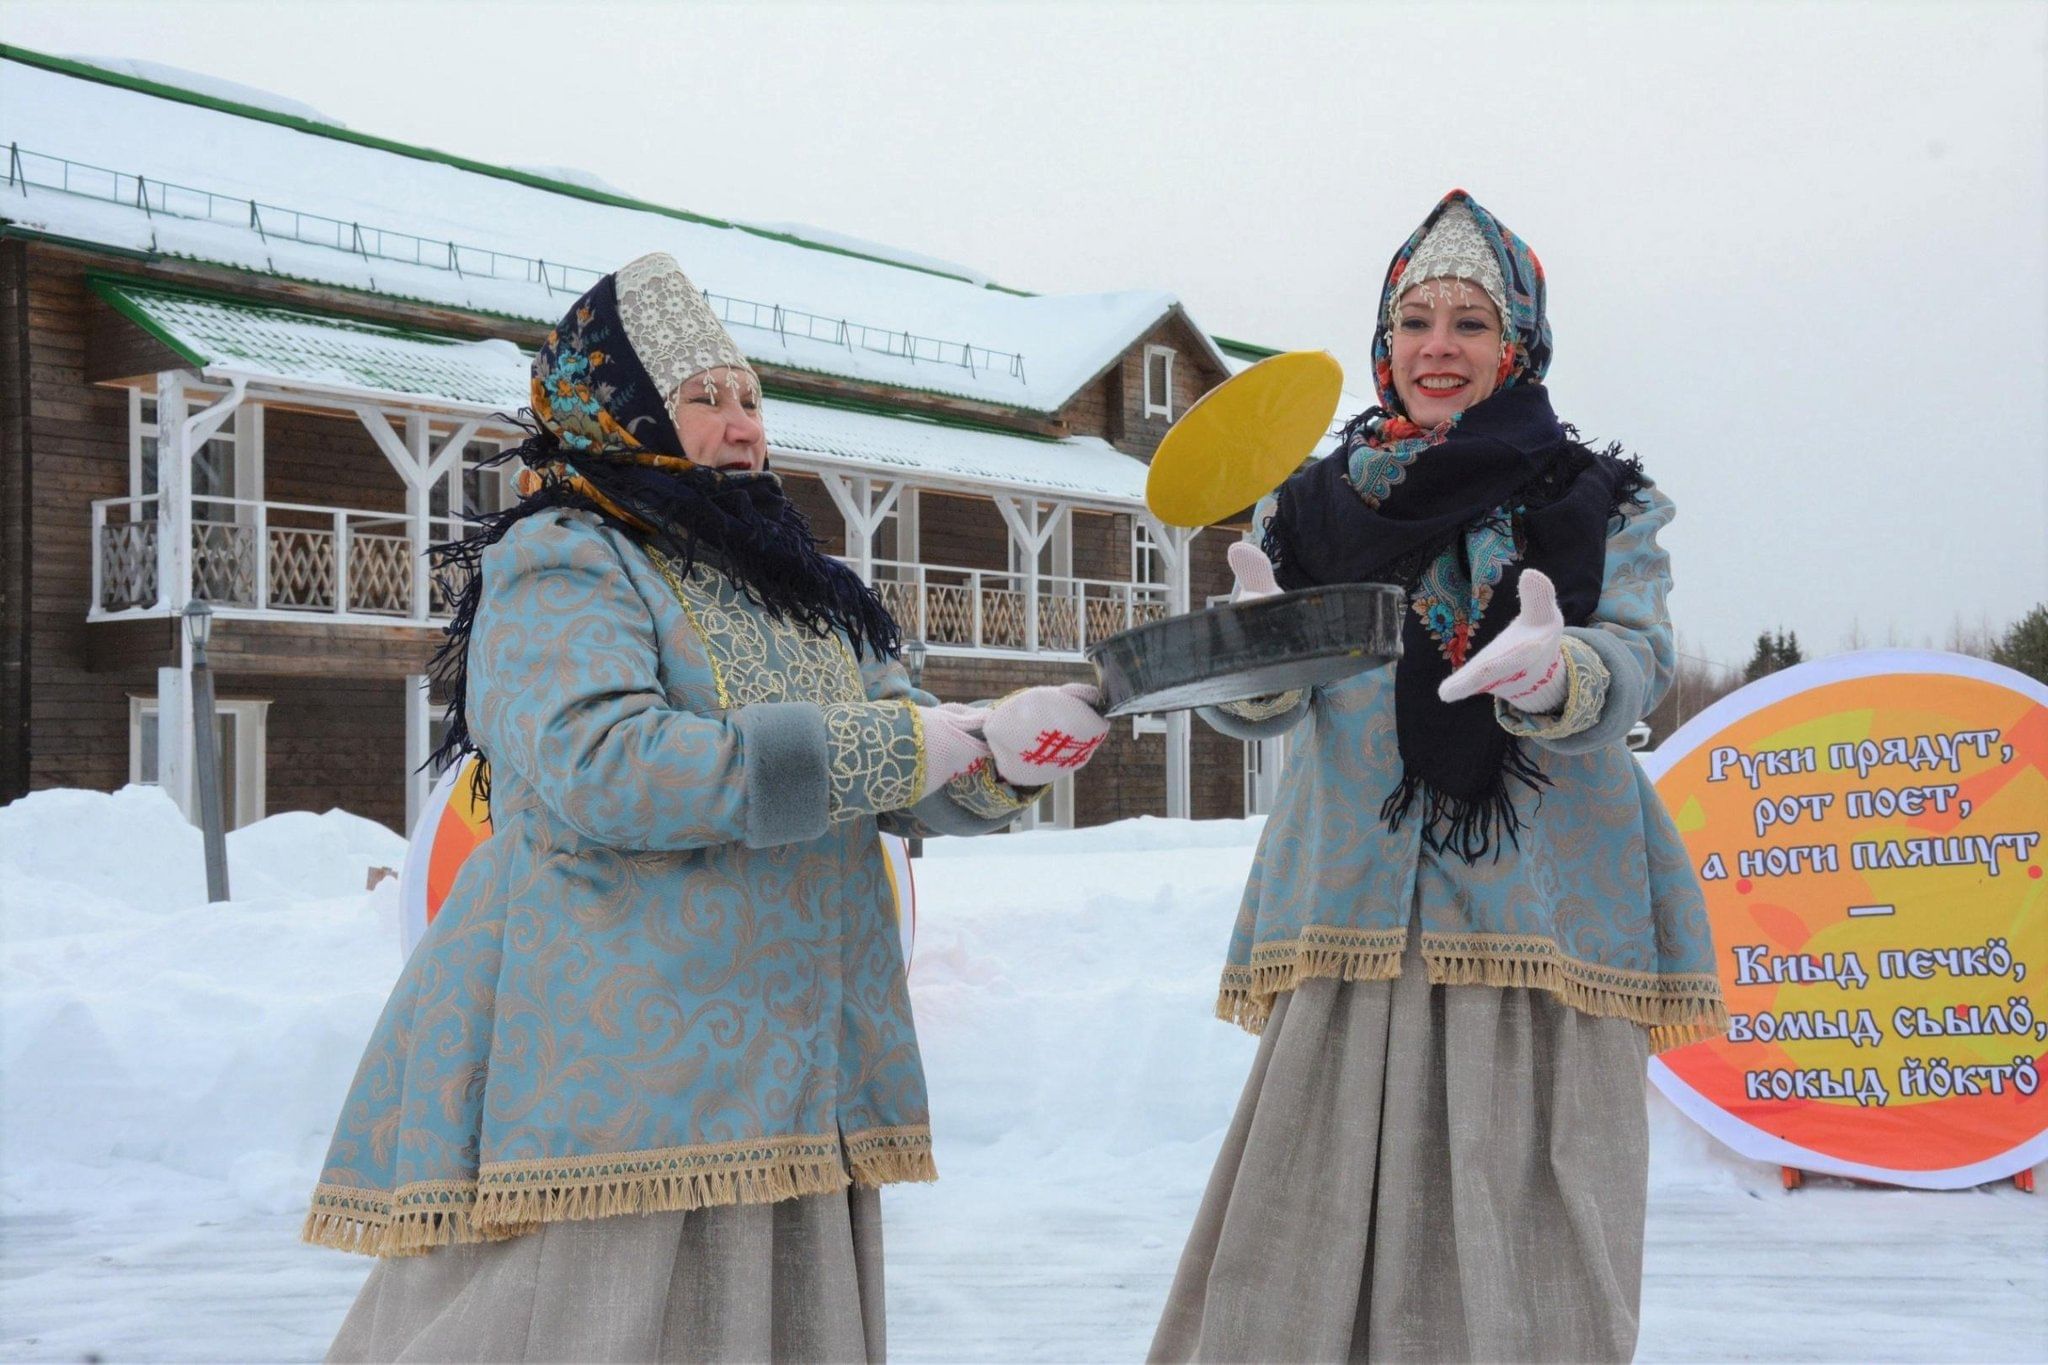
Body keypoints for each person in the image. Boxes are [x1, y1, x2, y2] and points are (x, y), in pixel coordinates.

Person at [303, 252, 1108, 1362]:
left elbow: (898, 762)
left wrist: (1008, 751)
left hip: (796, 1060)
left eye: (750, 400)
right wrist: (888, 746)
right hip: (629, 1070)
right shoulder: (563, 558)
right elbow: (604, 764)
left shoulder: (795, 585)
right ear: (621, 409)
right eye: (705, 399)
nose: (742, 426)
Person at [1149, 191, 1727, 1364]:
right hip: (1353, 897)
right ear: (1382, 342)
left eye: (1469, 323)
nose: (1438, 348)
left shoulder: (1596, 499)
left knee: (1522, 1214)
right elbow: (1260, 711)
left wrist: (1553, 670)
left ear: (1514, 345)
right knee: (1311, 1220)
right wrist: (1255, 645)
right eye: (1415, 321)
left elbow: (1638, 656)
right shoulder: (1306, 504)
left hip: (1542, 905)